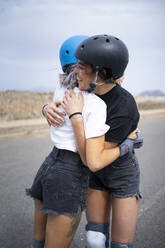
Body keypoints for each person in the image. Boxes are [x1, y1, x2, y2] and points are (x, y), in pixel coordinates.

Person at [44, 34, 142, 248]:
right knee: (95, 240)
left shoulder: (124, 107)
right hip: (94, 172)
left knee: (120, 246)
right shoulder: (84, 88)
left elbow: (94, 160)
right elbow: (60, 99)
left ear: (102, 72)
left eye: (81, 66)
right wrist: (47, 109)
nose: (74, 71)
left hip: (120, 173)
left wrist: (77, 118)